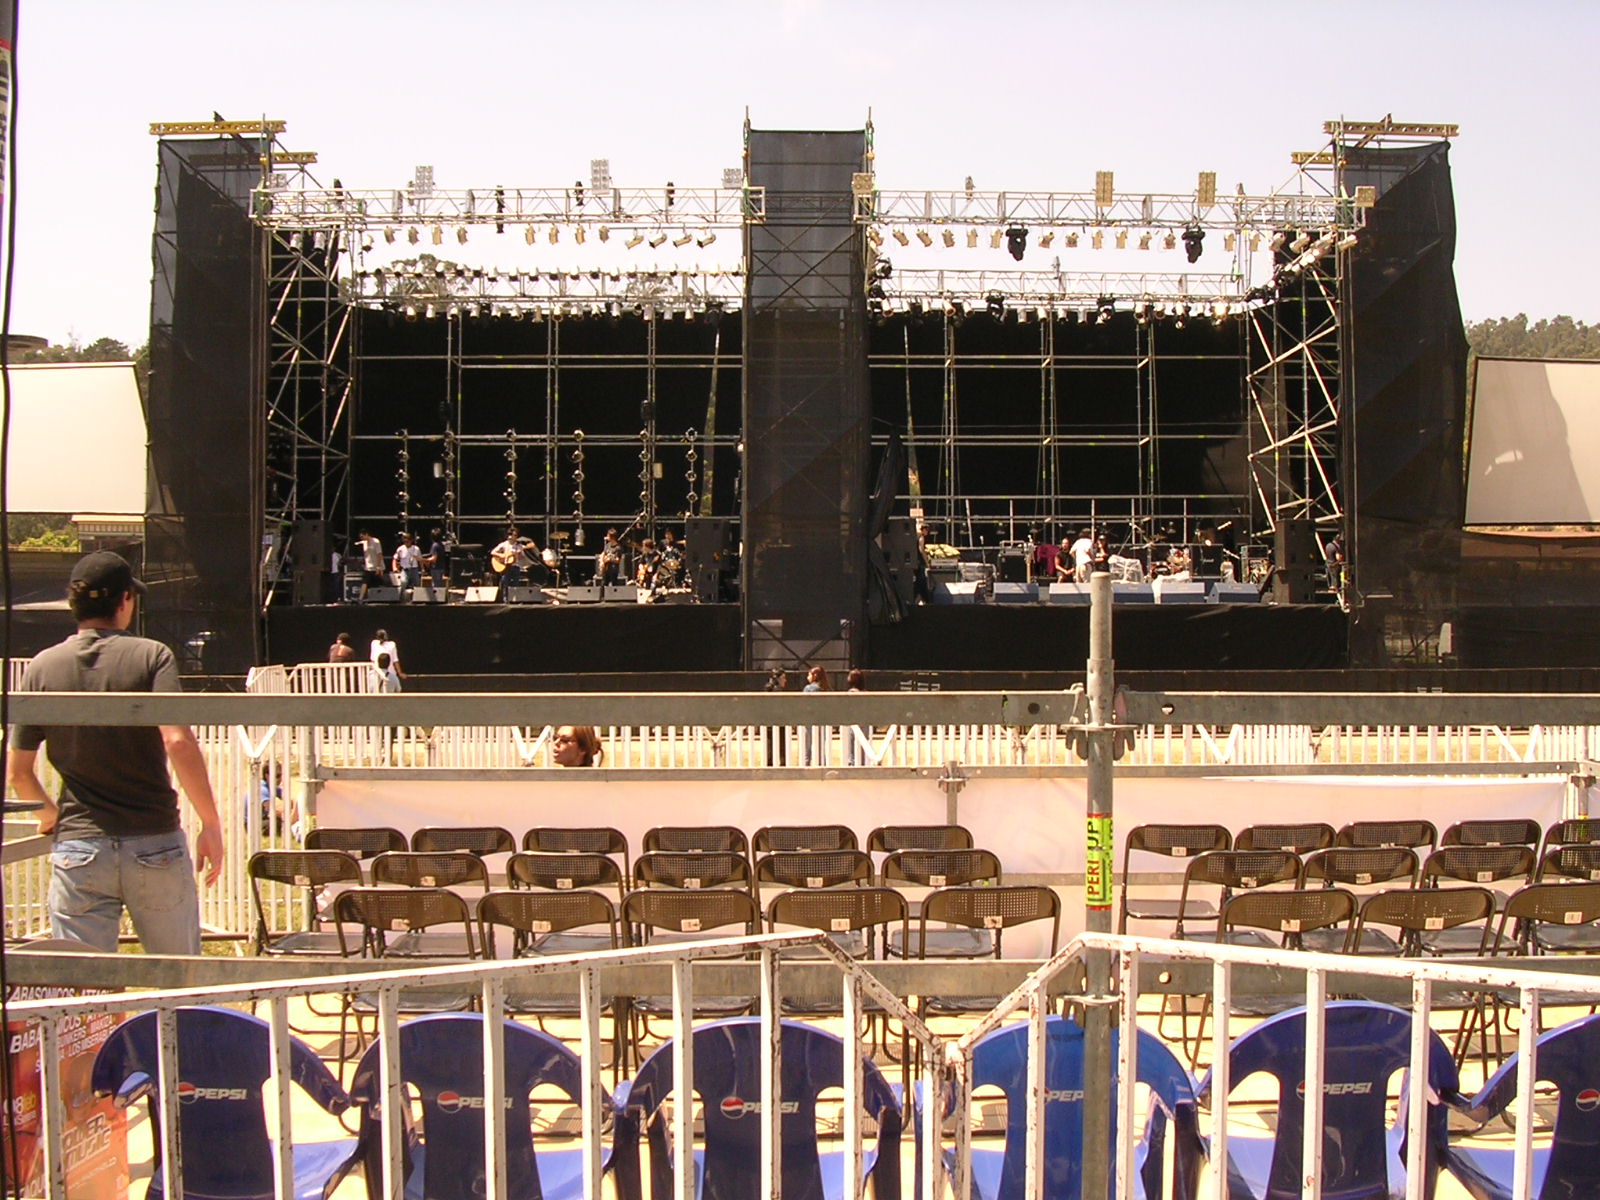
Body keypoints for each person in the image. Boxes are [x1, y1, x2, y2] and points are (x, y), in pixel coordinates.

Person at [6, 551, 224, 954]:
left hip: (79, 848)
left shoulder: (41, 667)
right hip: (153, 838)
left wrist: (52, 817)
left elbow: (18, 773)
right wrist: (210, 823)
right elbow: (176, 740)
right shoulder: (152, 655)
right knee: (181, 983)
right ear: (125, 601)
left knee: (83, 995)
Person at [490, 526, 537, 598]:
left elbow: (521, 557)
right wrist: (502, 556)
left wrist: (519, 553)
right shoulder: (503, 544)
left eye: (515, 535)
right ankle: (505, 600)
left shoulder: (519, 546)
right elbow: (493, 552)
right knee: (505, 583)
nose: (514, 537)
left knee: (515, 584)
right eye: (513, 535)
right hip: (506, 567)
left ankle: (514, 599)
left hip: (515, 567)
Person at [801, 666, 830, 766]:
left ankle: (806, 767)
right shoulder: (825, 689)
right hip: (822, 721)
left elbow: (803, 704)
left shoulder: (808, 689)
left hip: (809, 721)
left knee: (807, 749)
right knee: (820, 748)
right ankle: (822, 766)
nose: (807, 676)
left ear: (815, 676)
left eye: (809, 674)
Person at [763, 668, 789, 767]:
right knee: (781, 745)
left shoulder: (768, 689)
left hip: (770, 720)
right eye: (783, 678)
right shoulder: (777, 690)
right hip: (779, 720)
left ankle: (770, 763)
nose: (785, 680)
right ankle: (782, 763)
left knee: (770, 745)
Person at [355, 529, 386, 601]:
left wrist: (378, 567)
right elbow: (361, 542)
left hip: (377, 566)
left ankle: (380, 598)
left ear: (367, 534)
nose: (362, 538)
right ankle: (360, 598)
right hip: (368, 567)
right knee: (365, 582)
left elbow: (379, 554)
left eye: (362, 536)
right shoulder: (364, 542)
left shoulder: (376, 542)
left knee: (379, 583)